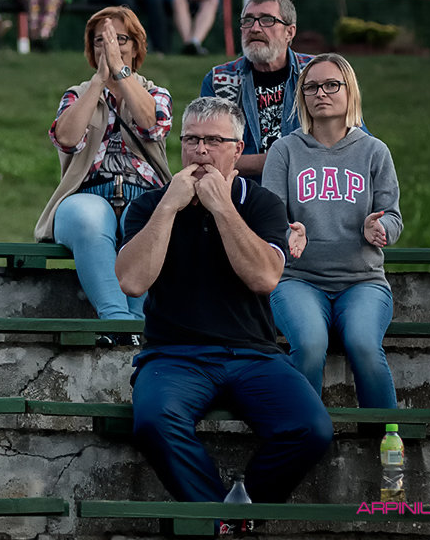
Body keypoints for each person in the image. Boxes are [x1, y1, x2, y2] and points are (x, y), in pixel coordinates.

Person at [116, 97, 332, 513]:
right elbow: (132, 281)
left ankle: (240, 510)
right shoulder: (150, 205)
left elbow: (264, 278)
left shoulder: (262, 204)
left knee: (312, 428)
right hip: (174, 355)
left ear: (237, 149)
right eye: (191, 140)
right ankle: (221, 521)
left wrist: (222, 207)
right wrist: (169, 206)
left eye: (214, 141)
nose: (201, 150)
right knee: (154, 422)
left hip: (253, 354)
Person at [262, 53, 402, 408]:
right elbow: (270, 220)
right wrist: (287, 233)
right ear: (302, 97)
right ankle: (302, 430)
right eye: (311, 87)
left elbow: (393, 218)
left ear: (349, 91)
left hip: (363, 282)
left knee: (364, 345)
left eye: (331, 85)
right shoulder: (284, 151)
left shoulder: (374, 152)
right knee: (309, 345)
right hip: (298, 280)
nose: (320, 93)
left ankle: (385, 433)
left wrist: (379, 227)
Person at [35, 6, 173, 346]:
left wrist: (121, 73)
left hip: (144, 193)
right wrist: (98, 81)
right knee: (89, 218)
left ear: (136, 47)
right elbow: (67, 138)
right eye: (101, 40)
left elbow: (152, 125)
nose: (110, 46)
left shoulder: (156, 93)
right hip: (87, 194)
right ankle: (117, 321)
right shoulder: (76, 94)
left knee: (148, 219)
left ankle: (134, 327)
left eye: (119, 39)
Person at [200, 0, 311, 182]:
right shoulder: (219, 81)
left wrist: (238, 162)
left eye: (267, 20)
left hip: (307, 188)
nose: (255, 28)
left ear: (289, 32)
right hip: (242, 192)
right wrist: (282, 160)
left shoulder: (316, 74)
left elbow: (352, 142)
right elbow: (206, 156)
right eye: (248, 20)